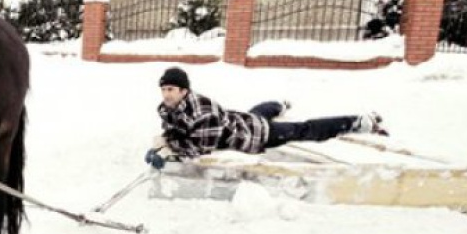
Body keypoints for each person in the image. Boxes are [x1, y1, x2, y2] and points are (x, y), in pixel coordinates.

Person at [146, 66, 385, 169]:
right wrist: (164, 141)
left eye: (171, 90)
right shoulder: (171, 108)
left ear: (184, 91)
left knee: (304, 129)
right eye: (164, 89)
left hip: (256, 135)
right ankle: (279, 104)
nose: (166, 94)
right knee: (256, 113)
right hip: (241, 121)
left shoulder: (202, 113)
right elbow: (176, 131)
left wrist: (168, 150)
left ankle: (360, 122)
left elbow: (199, 148)